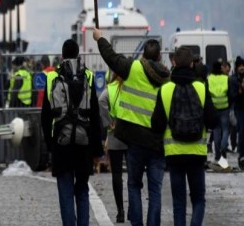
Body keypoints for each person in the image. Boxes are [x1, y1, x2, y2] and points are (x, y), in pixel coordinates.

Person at [93, 28, 169, 226]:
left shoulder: (133, 68)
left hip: (134, 141)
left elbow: (111, 58)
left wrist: (100, 39)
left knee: (134, 185)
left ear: (143, 53)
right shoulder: (167, 79)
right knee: (155, 191)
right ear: (160, 56)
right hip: (157, 142)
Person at [152, 46, 218, 226]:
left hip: (174, 154)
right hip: (197, 152)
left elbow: (156, 125)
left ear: (173, 62)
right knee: (198, 199)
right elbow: (213, 120)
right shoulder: (201, 88)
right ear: (191, 64)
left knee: (178, 202)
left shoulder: (165, 90)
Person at [40, 39, 103, 226]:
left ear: (62, 56)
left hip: (61, 143)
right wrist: (97, 149)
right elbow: (95, 115)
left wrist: (50, 144)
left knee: (65, 192)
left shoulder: (52, 78)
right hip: (84, 145)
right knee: (82, 190)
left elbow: (45, 117)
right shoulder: (89, 77)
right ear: (78, 55)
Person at [99, 71, 127, 223]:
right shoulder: (130, 87)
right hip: (131, 135)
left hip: (115, 135)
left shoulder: (109, 89)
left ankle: (120, 211)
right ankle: (133, 209)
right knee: (133, 176)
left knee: (117, 175)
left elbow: (101, 101)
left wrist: (109, 122)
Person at [207, 60, 230, 162]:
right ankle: (223, 147)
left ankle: (217, 154)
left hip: (214, 107)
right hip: (224, 106)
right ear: (220, 68)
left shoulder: (209, 78)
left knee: (216, 131)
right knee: (225, 130)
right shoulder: (226, 78)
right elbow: (229, 91)